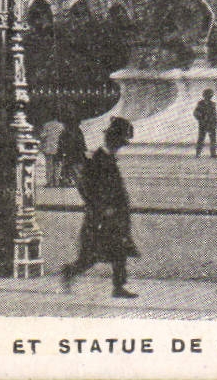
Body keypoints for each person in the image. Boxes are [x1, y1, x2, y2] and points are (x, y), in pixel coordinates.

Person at [59, 116, 139, 298]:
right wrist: (103, 207)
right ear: (114, 140)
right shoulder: (100, 159)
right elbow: (89, 188)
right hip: (103, 215)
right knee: (94, 255)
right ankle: (70, 271)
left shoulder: (106, 158)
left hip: (112, 214)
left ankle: (118, 286)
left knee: (118, 251)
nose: (121, 146)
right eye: (121, 142)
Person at [58, 119, 88, 187]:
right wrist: (84, 150)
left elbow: (61, 143)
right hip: (77, 152)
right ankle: (76, 180)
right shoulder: (78, 131)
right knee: (76, 166)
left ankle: (68, 180)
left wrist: (61, 152)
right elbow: (82, 142)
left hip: (69, 152)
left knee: (69, 166)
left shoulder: (65, 132)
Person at [39, 116, 65, 187]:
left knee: (49, 165)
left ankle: (49, 182)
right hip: (58, 148)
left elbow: (43, 135)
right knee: (57, 165)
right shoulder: (61, 126)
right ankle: (57, 182)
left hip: (49, 148)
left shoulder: (46, 125)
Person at [194, 88, 217, 158]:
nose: (209, 96)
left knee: (212, 139)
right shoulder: (200, 104)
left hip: (211, 123)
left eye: (210, 95)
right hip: (203, 124)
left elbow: (214, 114)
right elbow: (196, 113)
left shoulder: (212, 104)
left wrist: (215, 121)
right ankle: (198, 153)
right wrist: (201, 119)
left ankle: (213, 153)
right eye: (208, 95)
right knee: (201, 139)